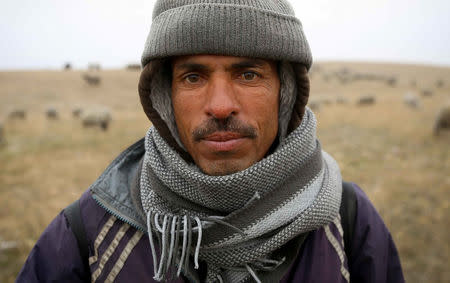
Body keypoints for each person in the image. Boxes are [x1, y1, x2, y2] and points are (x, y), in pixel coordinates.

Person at [17, 0, 404, 282]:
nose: (220, 106)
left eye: (249, 75)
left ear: (286, 94)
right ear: (164, 100)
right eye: (193, 77)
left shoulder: (351, 224)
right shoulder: (87, 235)